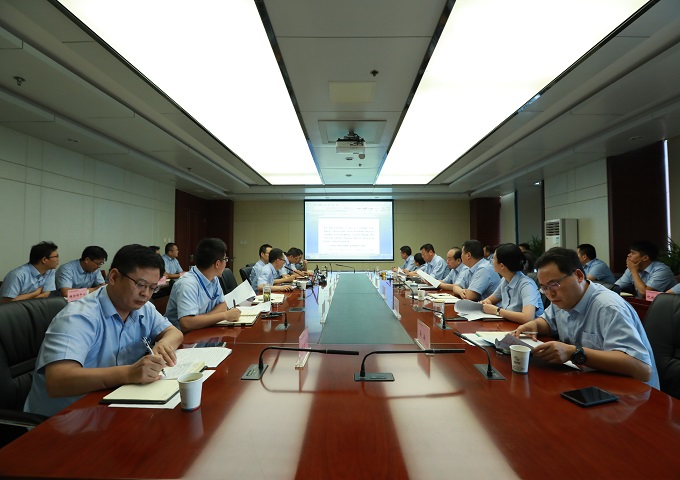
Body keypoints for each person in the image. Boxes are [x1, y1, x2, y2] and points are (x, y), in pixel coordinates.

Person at [24, 244, 184, 417]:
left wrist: (163, 345)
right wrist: (129, 373)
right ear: (114, 277)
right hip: (64, 419)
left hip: (113, 404)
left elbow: (174, 333)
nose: (146, 294)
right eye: (140, 284)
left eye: (152, 288)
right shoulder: (78, 317)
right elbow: (58, 381)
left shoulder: (143, 308)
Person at [514, 247, 658, 388]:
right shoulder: (562, 299)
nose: (550, 294)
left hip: (630, 392)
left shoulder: (608, 307)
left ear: (579, 276)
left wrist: (574, 352)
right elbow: (548, 321)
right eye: (544, 288)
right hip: (589, 380)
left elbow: (642, 369)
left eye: (554, 284)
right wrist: (535, 325)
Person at [165, 238, 240, 331]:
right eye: (225, 259)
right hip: (183, 336)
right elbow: (187, 323)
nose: (226, 263)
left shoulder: (214, 278)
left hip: (203, 330)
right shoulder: (187, 284)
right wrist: (224, 315)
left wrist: (202, 319)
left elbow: (223, 305)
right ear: (217, 264)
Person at [480, 243, 543, 324]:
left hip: (528, 329)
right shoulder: (505, 280)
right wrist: (485, 303)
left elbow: (528, 318)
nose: (491, 261)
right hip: (510, 325)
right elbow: (489, 300)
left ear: (502, 266)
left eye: (493, 259)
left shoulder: (527, 285)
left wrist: (497, 310)